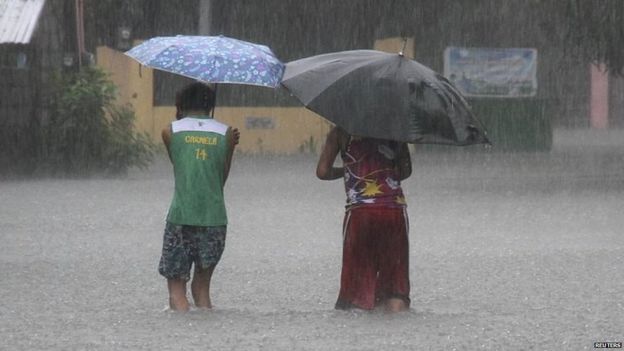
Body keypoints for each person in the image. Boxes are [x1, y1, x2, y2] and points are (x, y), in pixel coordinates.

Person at [159, 82, 239, 311]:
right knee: (202, 289)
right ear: (210, 105)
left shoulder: (170, 131)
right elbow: (219, 181)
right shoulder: (226, 133)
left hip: (181, 217)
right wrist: (229, 148)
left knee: (176, 290)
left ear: (180, 104)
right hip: (214, 220)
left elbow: (182, 170)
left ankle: (183, 341)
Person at [316, 126, 412, 312]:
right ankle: (398, 331)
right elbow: (405, 171)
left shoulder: (341, 132)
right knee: (395, 285)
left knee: (355, 289)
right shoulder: (396, 129)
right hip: (393, 211)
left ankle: (357, 334)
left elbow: (322, 171)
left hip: (361, 212)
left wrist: (348, 169)